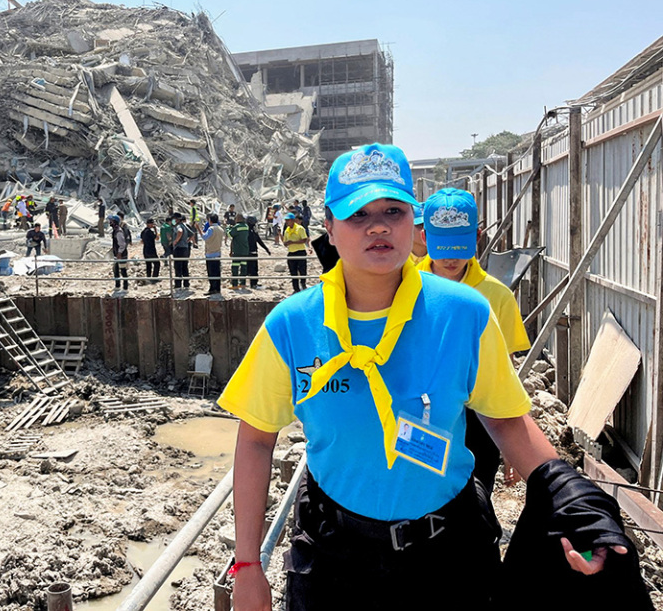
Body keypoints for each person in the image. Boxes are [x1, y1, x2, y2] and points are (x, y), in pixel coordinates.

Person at [219, 143, 632, 611]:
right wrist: (247, 565)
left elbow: (505, 420)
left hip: (448, 555)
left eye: (393, 211)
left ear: (412, 225)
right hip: (335, 557)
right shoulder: (293, 325)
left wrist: (568, 497)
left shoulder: (464, 313)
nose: (378, 226)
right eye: (358, 214)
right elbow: (257, 439)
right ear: (329, 228)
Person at [418, 188, 531, 491]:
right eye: (443, 247)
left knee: (478, 494)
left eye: (459, 247)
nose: (450, 258)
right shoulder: (402, 288)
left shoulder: (498, 296)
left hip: (481, 417)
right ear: (424, 238)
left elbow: (505, 373)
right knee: (423, 496)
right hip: (422, 412)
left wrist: (512, 446)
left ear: (477, 236)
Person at [282, 212, 310, 293]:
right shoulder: (287, 230)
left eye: (288, 220)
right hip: (291, 252)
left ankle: (303, 284)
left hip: (300, 252)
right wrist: (286, 243)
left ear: (293, 220)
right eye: (286, 220)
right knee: (293, 271)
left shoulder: (300, 228)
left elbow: (304, 239)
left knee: (302, 270)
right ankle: (296, 288)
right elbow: (285, 242)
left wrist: (293, 242)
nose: (286, 222)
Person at [245, 216, 271, 289]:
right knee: (251, 270)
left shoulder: (253, 231)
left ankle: (254, 283)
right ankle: (253, 284)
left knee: (254, 269)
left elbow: (259, 240)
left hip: (254, 252)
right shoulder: (247, 232)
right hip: (249, 253)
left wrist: (266, 249)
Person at [203, 213, 225, 295]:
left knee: (211, 273)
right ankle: (217, 289)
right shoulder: (220, 229)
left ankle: (212, 289)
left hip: (210, 253)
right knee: (217, 272)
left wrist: (198, 229)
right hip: (218, 253)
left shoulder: (211, 229)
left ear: (210, 220)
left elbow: (205, 237)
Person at [171, 212, 192, 290]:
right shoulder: (185, 225)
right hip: (185, 248)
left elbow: (180, 231)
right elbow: (192, 234)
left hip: (179, 248)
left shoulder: (178, 226)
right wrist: (187, 241)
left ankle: (178, 285)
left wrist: (176, 241)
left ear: (176, 219)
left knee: (178, 267)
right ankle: (186, 284)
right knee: (185, 267)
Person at [228, 214, 250, 289]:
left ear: (238, 219)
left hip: (237, 250)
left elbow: (230, 234)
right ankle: (243, 284)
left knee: (235, 267)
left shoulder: (237, 227)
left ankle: (235, 285)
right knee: (244, 267)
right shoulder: (246, 226)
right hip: (245, 250)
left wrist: (228, 228)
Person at [110, 215, 129, 291]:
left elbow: (122, 244)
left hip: (121, 254)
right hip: (116, 254)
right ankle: (117, 286)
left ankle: (125, 287)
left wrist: (119, 253)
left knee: (123, 270)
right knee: (116, 270)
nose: (110, 223)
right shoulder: (115, 230)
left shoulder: (118, 232)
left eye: (111, 221)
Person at [140, 218, 160, 283]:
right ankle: (154, 278)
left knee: (148, 264)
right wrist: (155, 230)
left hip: (145, 249)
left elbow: (142, 241)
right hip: (151, 250)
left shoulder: (143, 231)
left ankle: (148, 277)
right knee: (157, 263)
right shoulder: (150, 232)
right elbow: (157, 238)